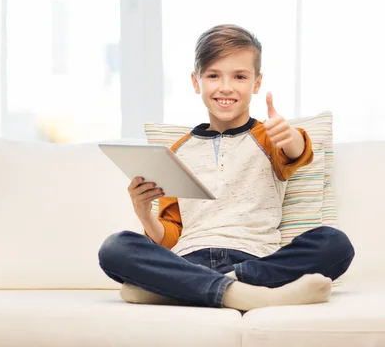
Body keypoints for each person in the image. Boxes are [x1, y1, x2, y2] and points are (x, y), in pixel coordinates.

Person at [98, 24, 355, 311]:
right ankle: (245, 294)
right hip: (189, 258)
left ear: (257, 83)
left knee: (335, 244)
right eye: (213, 75)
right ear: (197, 82)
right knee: (115, 248)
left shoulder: (268, 137)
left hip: (256, 262)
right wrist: (143, 213)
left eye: (240, 76)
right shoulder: (177, 151)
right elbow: (170, 236)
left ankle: (183, 290)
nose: (225, 87)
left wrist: (290, 136)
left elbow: (297, 152)